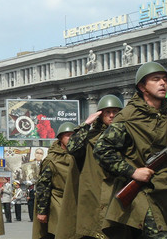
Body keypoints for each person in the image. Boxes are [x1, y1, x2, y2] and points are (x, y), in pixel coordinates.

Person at [94, 61, 167, 238]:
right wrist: (132, 172)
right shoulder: (128, 116)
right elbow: (102, 150)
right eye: (156, 79)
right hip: (144, 194)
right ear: (142, 86)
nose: (163, 83)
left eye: (165, 79)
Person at [67, 94, 123, 238]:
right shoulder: (90, 137)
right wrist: (86, 124)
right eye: (107, 112)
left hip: (118, 190)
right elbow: (72, 147)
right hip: (94, 192)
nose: (111, 116)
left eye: (115, 112)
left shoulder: (125, 135)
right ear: (100, 115)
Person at [32, 122, 79, 239]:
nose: (71, 138)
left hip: (78, 202)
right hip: (58, 202)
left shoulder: (80, 156)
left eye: (74, 135)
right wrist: (42, 211)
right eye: (68, 135)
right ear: (60, 138)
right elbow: (43, 186)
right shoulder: (52, 159)